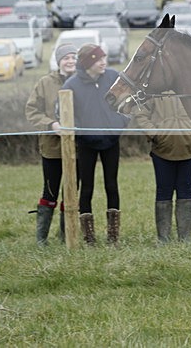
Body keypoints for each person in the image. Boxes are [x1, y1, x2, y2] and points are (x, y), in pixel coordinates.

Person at [61, 43, 131, 245]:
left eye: (104, 58)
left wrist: (120, 123)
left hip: (111, 140)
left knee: (112, 185)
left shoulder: (112, 77)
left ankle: (113, 235)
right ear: (87, 63)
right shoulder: (72, 85)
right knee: (87, 188)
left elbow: (127, 101)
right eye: (98, 59)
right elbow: (64, 113)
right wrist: (81, 131)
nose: (103, 62)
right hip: (86, 143)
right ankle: (89, 236)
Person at [25, 44, 78, 246]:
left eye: (74, 57)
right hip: (52, 148)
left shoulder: (82, 82)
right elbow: (32, 111)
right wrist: (51, 124)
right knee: (51, 191)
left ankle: (67, 234)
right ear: (59, 61)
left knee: (72, 191)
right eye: (66, 57)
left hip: (78, 149)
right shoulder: (45, 83)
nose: (70, 61)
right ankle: (41, 239)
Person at [132, 96, 191, 244]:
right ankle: (163, 239)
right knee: (164, 191)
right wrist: (155, 134)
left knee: (186, 191)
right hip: (162, 150)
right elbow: (140, 113)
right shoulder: (154, 89)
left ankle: (185, 238)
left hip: (190, 148)